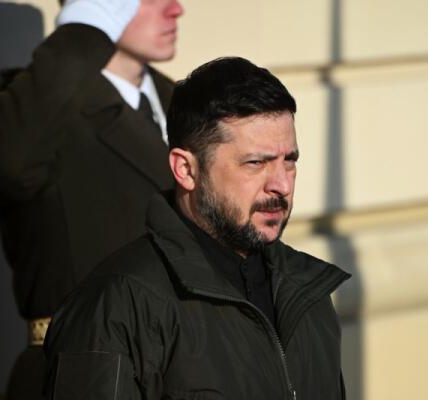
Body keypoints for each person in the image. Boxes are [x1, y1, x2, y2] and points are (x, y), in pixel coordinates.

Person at [44, 57, 351, 399]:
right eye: (255, 163)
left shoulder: (308, 293)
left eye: (289, 161)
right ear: (186, 170)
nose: (281, 184)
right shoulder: (116, 307)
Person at [0, 0, 183, 398]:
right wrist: (83, 32)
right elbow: (3, 164)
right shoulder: (32, 110)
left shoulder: (186, 104)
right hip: (86, 375)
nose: (175, 8)